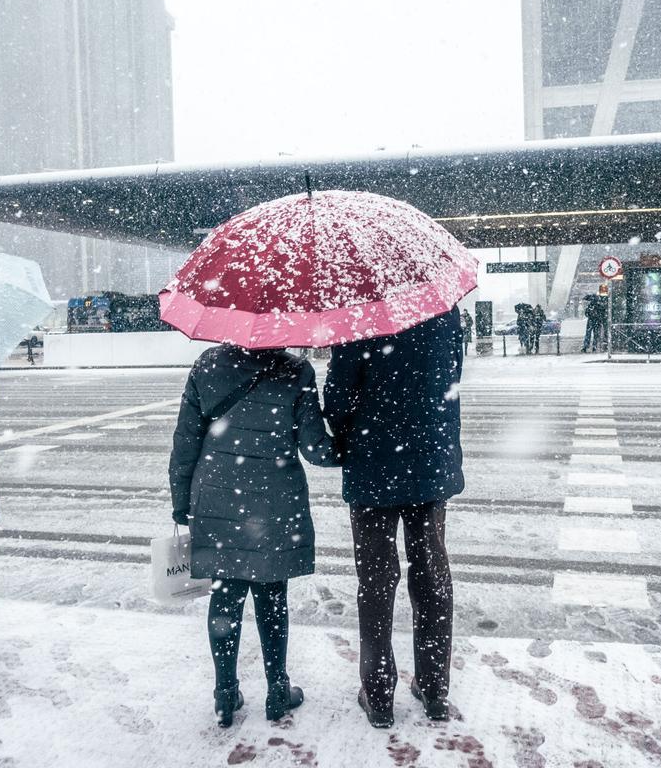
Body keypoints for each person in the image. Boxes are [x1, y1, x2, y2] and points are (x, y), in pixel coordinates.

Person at [169, 344, 339, 727]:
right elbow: (315, 449)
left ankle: (225, 694)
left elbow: (185, 443)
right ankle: (278, 690)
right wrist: (353, 442)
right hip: (273, 501)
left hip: (215, 494)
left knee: (225, 595)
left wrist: (181, 503)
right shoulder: (296, 372)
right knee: (272, 595)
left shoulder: (207, 365)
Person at [324, 307, 464, 728]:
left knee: (376, 579)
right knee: (432, 572)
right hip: (429, 460)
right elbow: (451, 378)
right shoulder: (443, 310)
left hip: (373, 466)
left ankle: (379, 694)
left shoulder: (356, 312)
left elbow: (337, 400)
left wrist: (351, 428)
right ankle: (435, 687)